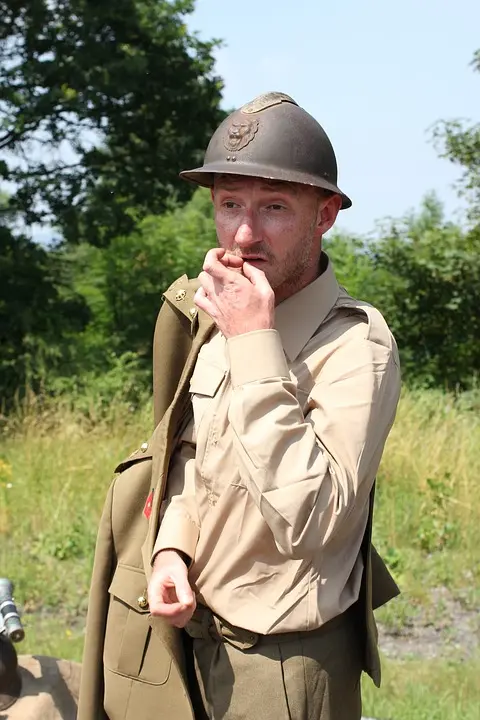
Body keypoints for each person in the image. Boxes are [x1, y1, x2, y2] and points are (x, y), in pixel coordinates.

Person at [77, 91, 401, 720]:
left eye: (274, 207)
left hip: (282, 667)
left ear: (326, 214)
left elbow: (313, 522)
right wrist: (172, 546)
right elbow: (192, 454)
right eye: (230, 205)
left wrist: (254, 343)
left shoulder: (356, 346)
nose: (245, 235)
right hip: (184, 638)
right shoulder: (220, 314)